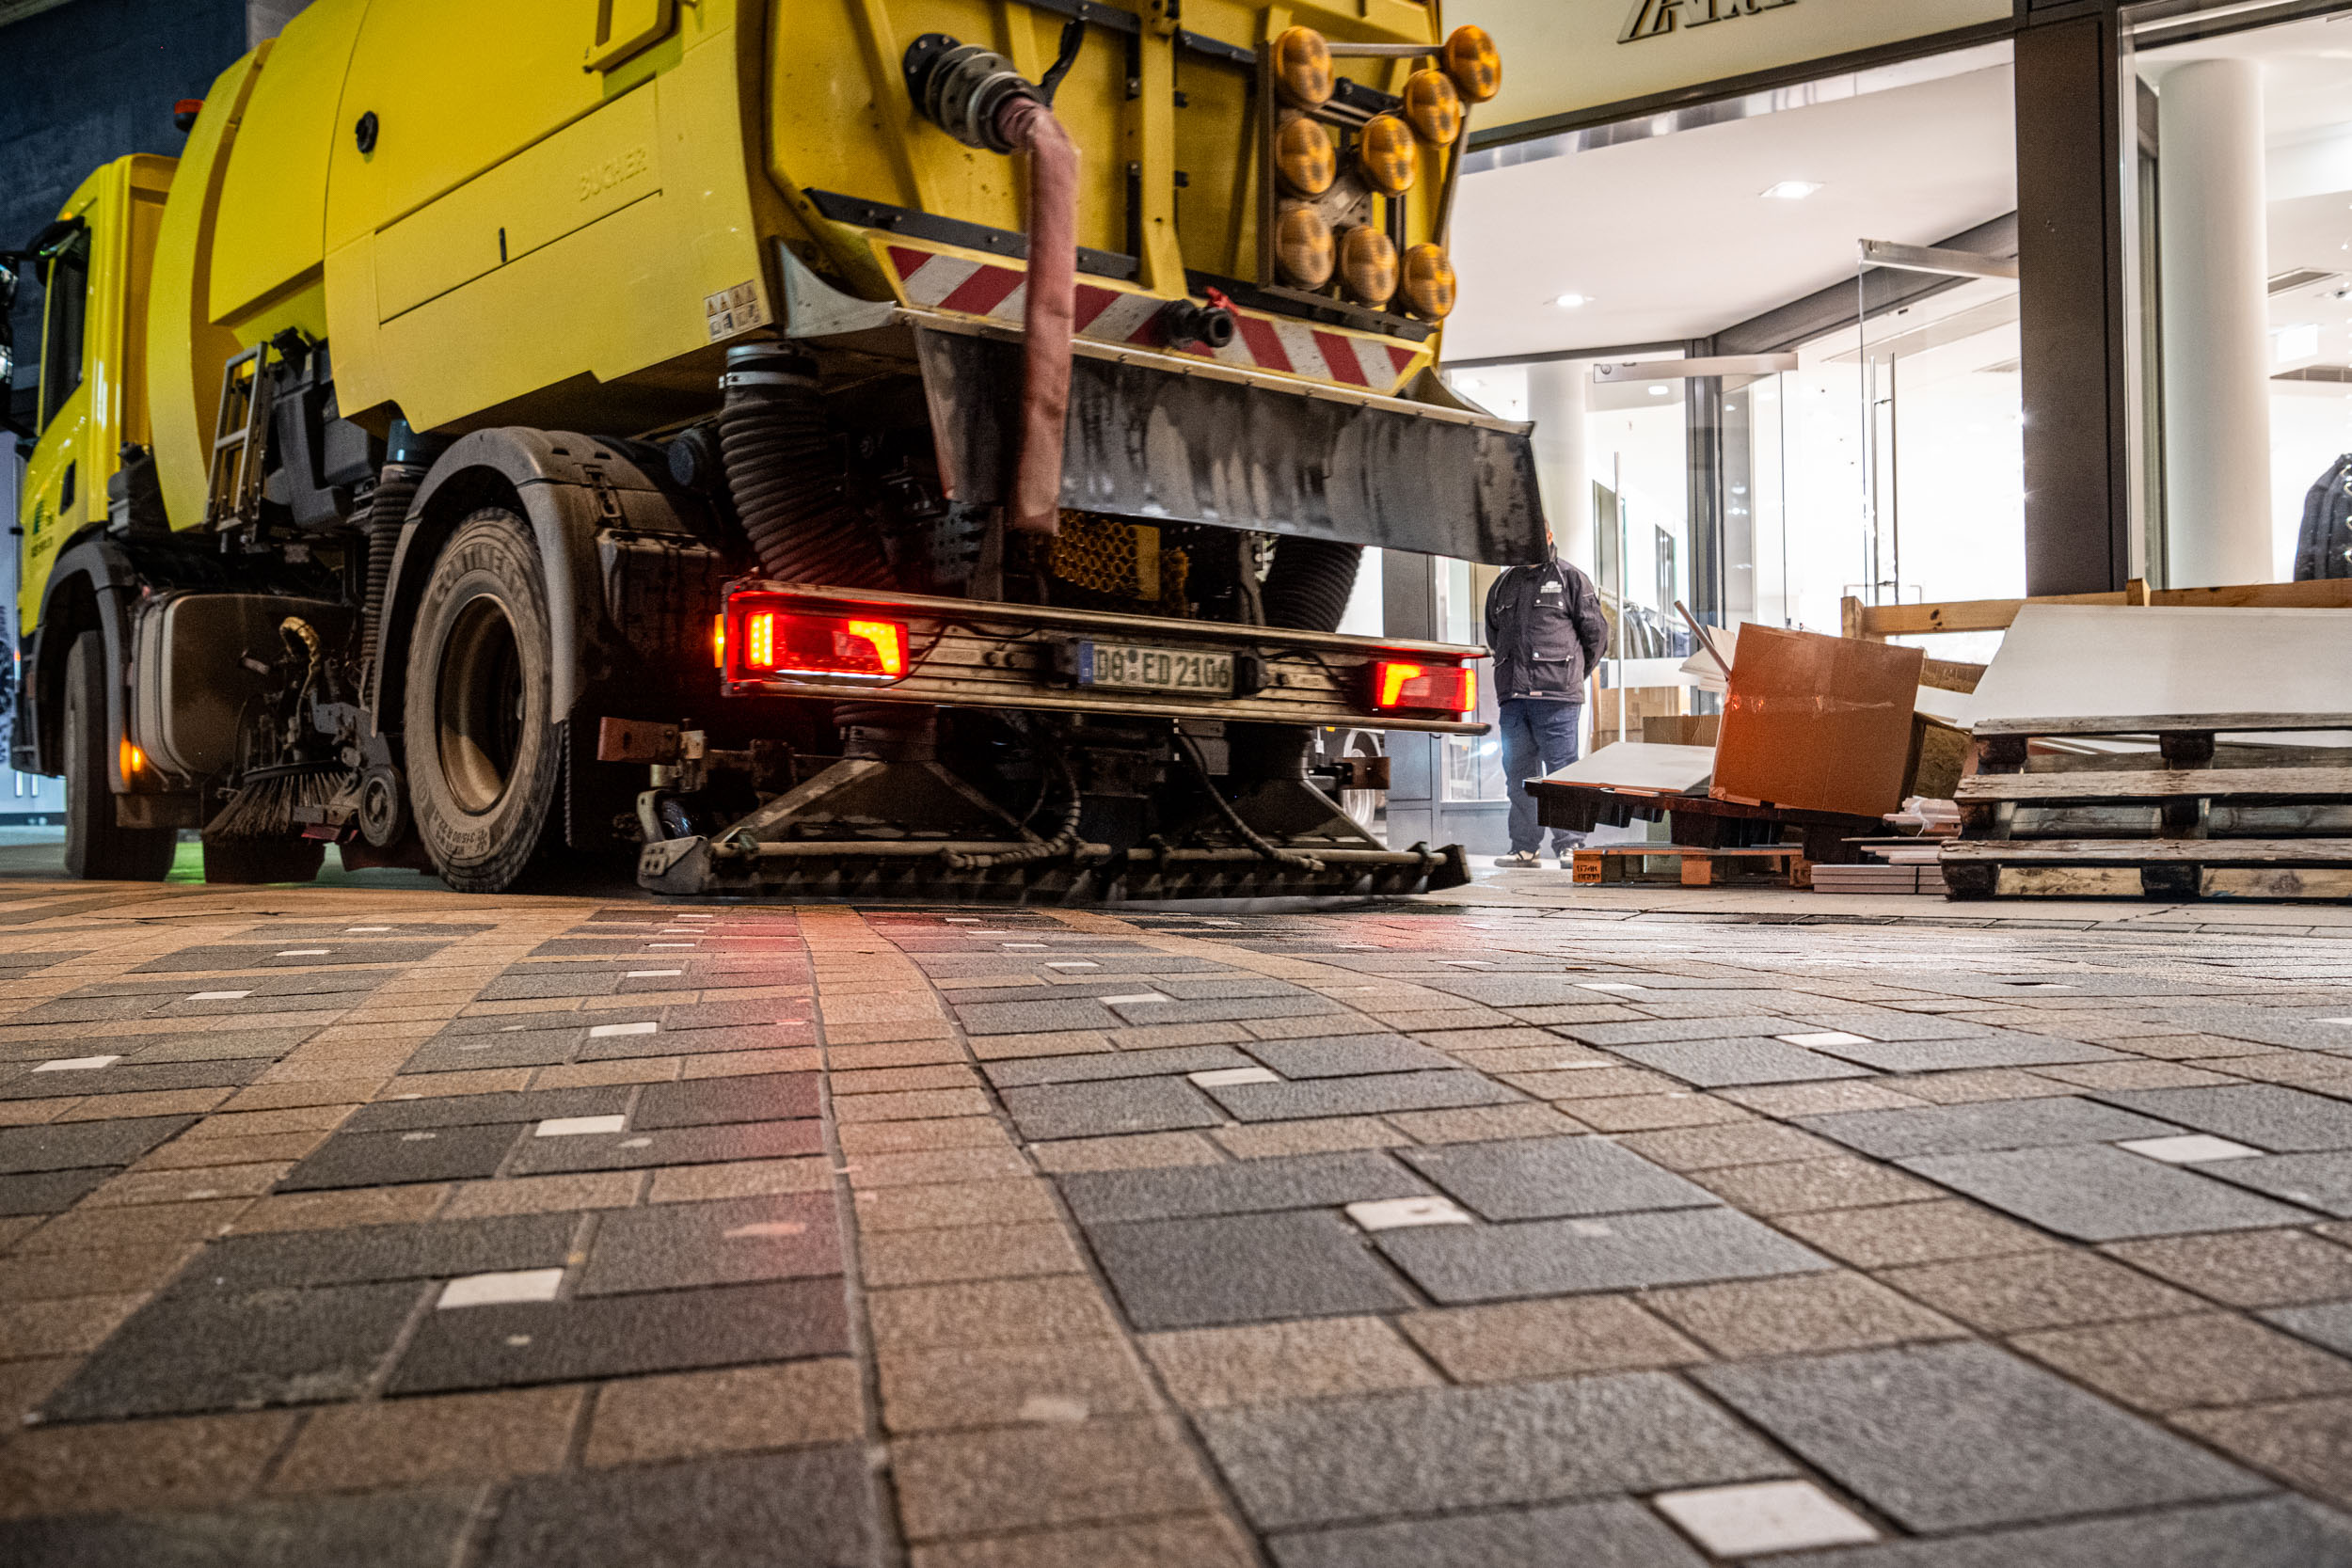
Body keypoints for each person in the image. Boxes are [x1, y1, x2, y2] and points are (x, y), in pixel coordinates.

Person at [1485, 548, 1609, 868]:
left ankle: (1570, 844)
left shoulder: (1570, 578)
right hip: (1514, 698)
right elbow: (1494, 636)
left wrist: (1569, 677)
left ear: (1548, 537)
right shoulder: (1502, 584)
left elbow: (1596, 636)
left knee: (1563, 772)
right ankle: (1524, 848)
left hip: (1557, 698)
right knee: (1518, 775)